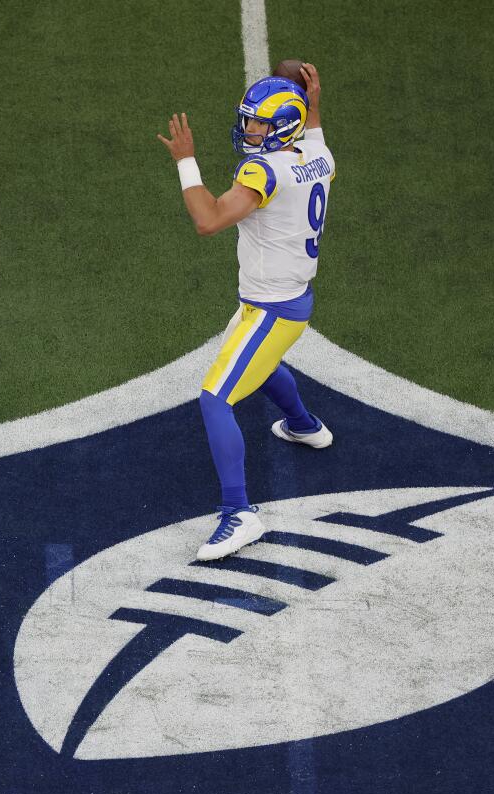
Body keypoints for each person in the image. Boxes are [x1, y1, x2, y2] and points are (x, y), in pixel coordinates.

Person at [157, 64, 335, 561]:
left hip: (272, 307)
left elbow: (209, 220)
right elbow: (312, 124)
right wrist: (311, 98)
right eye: (249, 120)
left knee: (215, 397)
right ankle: (304, 425)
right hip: (285, 299)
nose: (251, 130)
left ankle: (239, 514)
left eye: (260, 123)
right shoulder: (318, 154)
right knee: (259, 361)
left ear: (285, 123)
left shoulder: (262, 171)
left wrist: (186, 163)